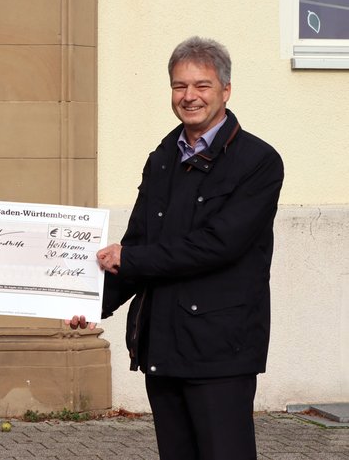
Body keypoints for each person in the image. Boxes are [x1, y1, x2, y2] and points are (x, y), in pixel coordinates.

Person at [68, 37, 284, 459]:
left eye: (202, 86)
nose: (189, 97)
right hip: (162, 345)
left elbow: (218, 245)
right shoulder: (163, 157)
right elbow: (139, 244)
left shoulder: (258, 161)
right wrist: (94, 302)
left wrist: (131, 258)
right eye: (179, 86)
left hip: (220, 350)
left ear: (225, 90)